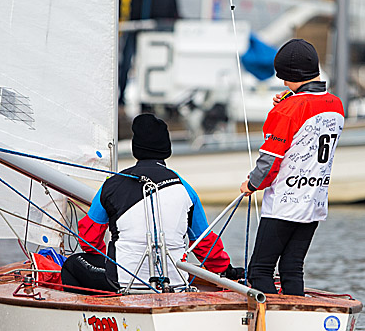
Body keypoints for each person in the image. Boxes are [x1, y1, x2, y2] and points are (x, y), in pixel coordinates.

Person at [61, 113, 242, 292]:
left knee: (72, 264)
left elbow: (88, 240)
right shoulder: (185, 188)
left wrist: (110, 260)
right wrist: (226, 270)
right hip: (175, 283)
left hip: (125, 283)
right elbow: (205, 244)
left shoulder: (112, 184)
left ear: (135, 148)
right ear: (166, 150)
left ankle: (103, 318)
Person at [239, 38, 344, 297]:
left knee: (260, 271)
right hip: (315, 200)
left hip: (286, 202)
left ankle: (271, 326)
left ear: (292, 76)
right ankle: (296, 318)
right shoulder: (336, 105)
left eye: (285, 78)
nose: (283, 84)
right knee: (292, 267)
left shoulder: (288, 108)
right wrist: (290, 100)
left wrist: (252, 184)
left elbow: (271, 161)